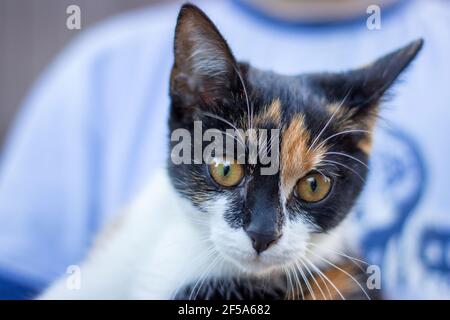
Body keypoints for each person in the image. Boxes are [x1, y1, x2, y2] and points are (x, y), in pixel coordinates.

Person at [0, 0, 449, 299]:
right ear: (190, 101)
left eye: (311, 186)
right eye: (228, 172)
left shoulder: (331, 279)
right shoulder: (103, 68)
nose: (264, 233)